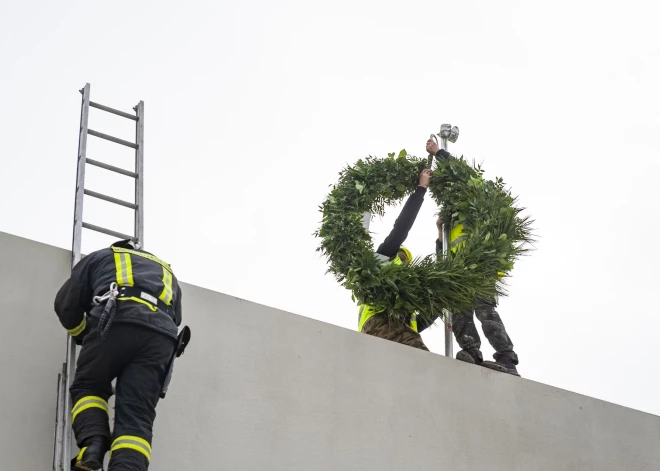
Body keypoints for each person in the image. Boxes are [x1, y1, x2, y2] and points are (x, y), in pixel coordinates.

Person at [54, 238, 184, 471]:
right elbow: (176, 317)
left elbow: (65, 305)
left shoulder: (102, 256)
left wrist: (83, 334)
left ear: (117, 247)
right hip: (162, 337)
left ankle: (93, 446)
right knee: (137, 415)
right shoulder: (167, 272)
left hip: (115, 318)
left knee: (89, 386)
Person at [427, 138, 520, 376]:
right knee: (459, 311)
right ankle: (471, 351)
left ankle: (506, 357)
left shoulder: (476, 209)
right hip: (459, 273)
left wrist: (439, 154)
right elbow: (444, 259)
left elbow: (461, 173)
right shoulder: (450, 223)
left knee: (485, 311)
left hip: (479, 269)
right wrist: (440, 234)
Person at [357, 167, 433, 351]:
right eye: (401, 256)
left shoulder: (407, 290)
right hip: (381, 323)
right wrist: (421, 189)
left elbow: (423, 319)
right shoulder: (383, 258)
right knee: (422, 363)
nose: (402, 260)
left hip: (399, 328)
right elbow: (401, 228)